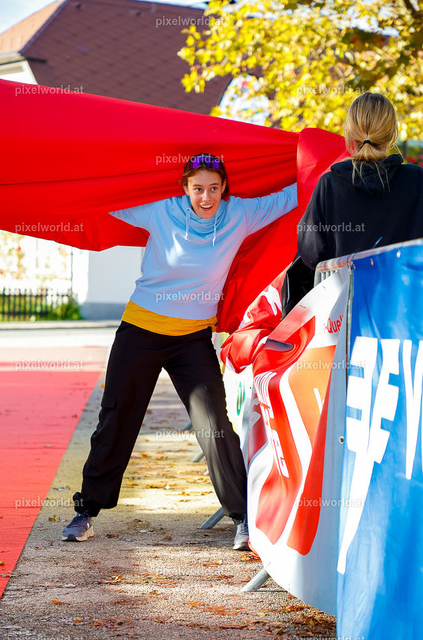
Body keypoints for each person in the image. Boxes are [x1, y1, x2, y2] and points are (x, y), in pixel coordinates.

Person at [61, 152, 298, 550]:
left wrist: (329, 161)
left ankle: (243, 519)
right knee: (117, 417)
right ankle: (86, 512)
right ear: (185, 188)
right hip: (141, 331)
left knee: (215, 425)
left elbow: (291, 196)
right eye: (198, 189)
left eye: (214, 189)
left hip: (192, 340)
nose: (206, 197)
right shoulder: (160, 211)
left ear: (224, 189)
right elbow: (105, 198)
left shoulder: (240, 214)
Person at [297, 92, 423, 276]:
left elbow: (311, 253)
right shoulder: (417, 180)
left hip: (347, 292)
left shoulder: (329, 185)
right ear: (392, 134)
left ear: (349, 133)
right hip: (408, 291)